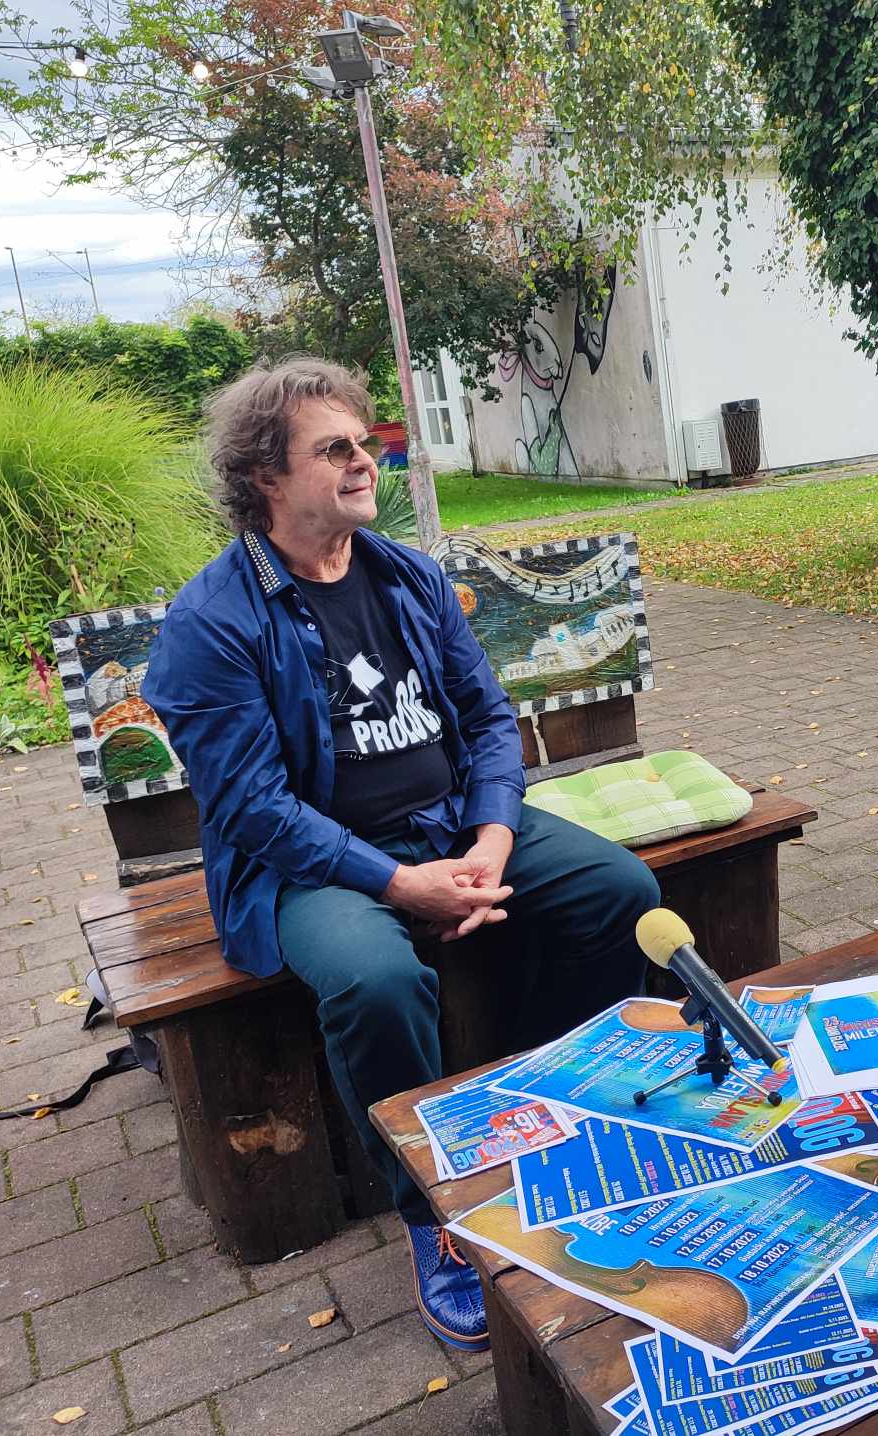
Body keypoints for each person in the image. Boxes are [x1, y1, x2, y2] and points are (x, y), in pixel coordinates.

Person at [145, 357, 658, 1352]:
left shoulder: (406, 575)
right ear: (265, 476)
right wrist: (397, 883)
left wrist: (493, 835)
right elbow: (250, 807)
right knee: (377, 980)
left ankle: (537, 1109)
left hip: (451, 824)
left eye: (368, 442)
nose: (363, 461)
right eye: (333, 449)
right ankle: (432, 1213)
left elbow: (487, 718)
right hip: (313, 864)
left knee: (617, 889)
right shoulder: (213, 622)